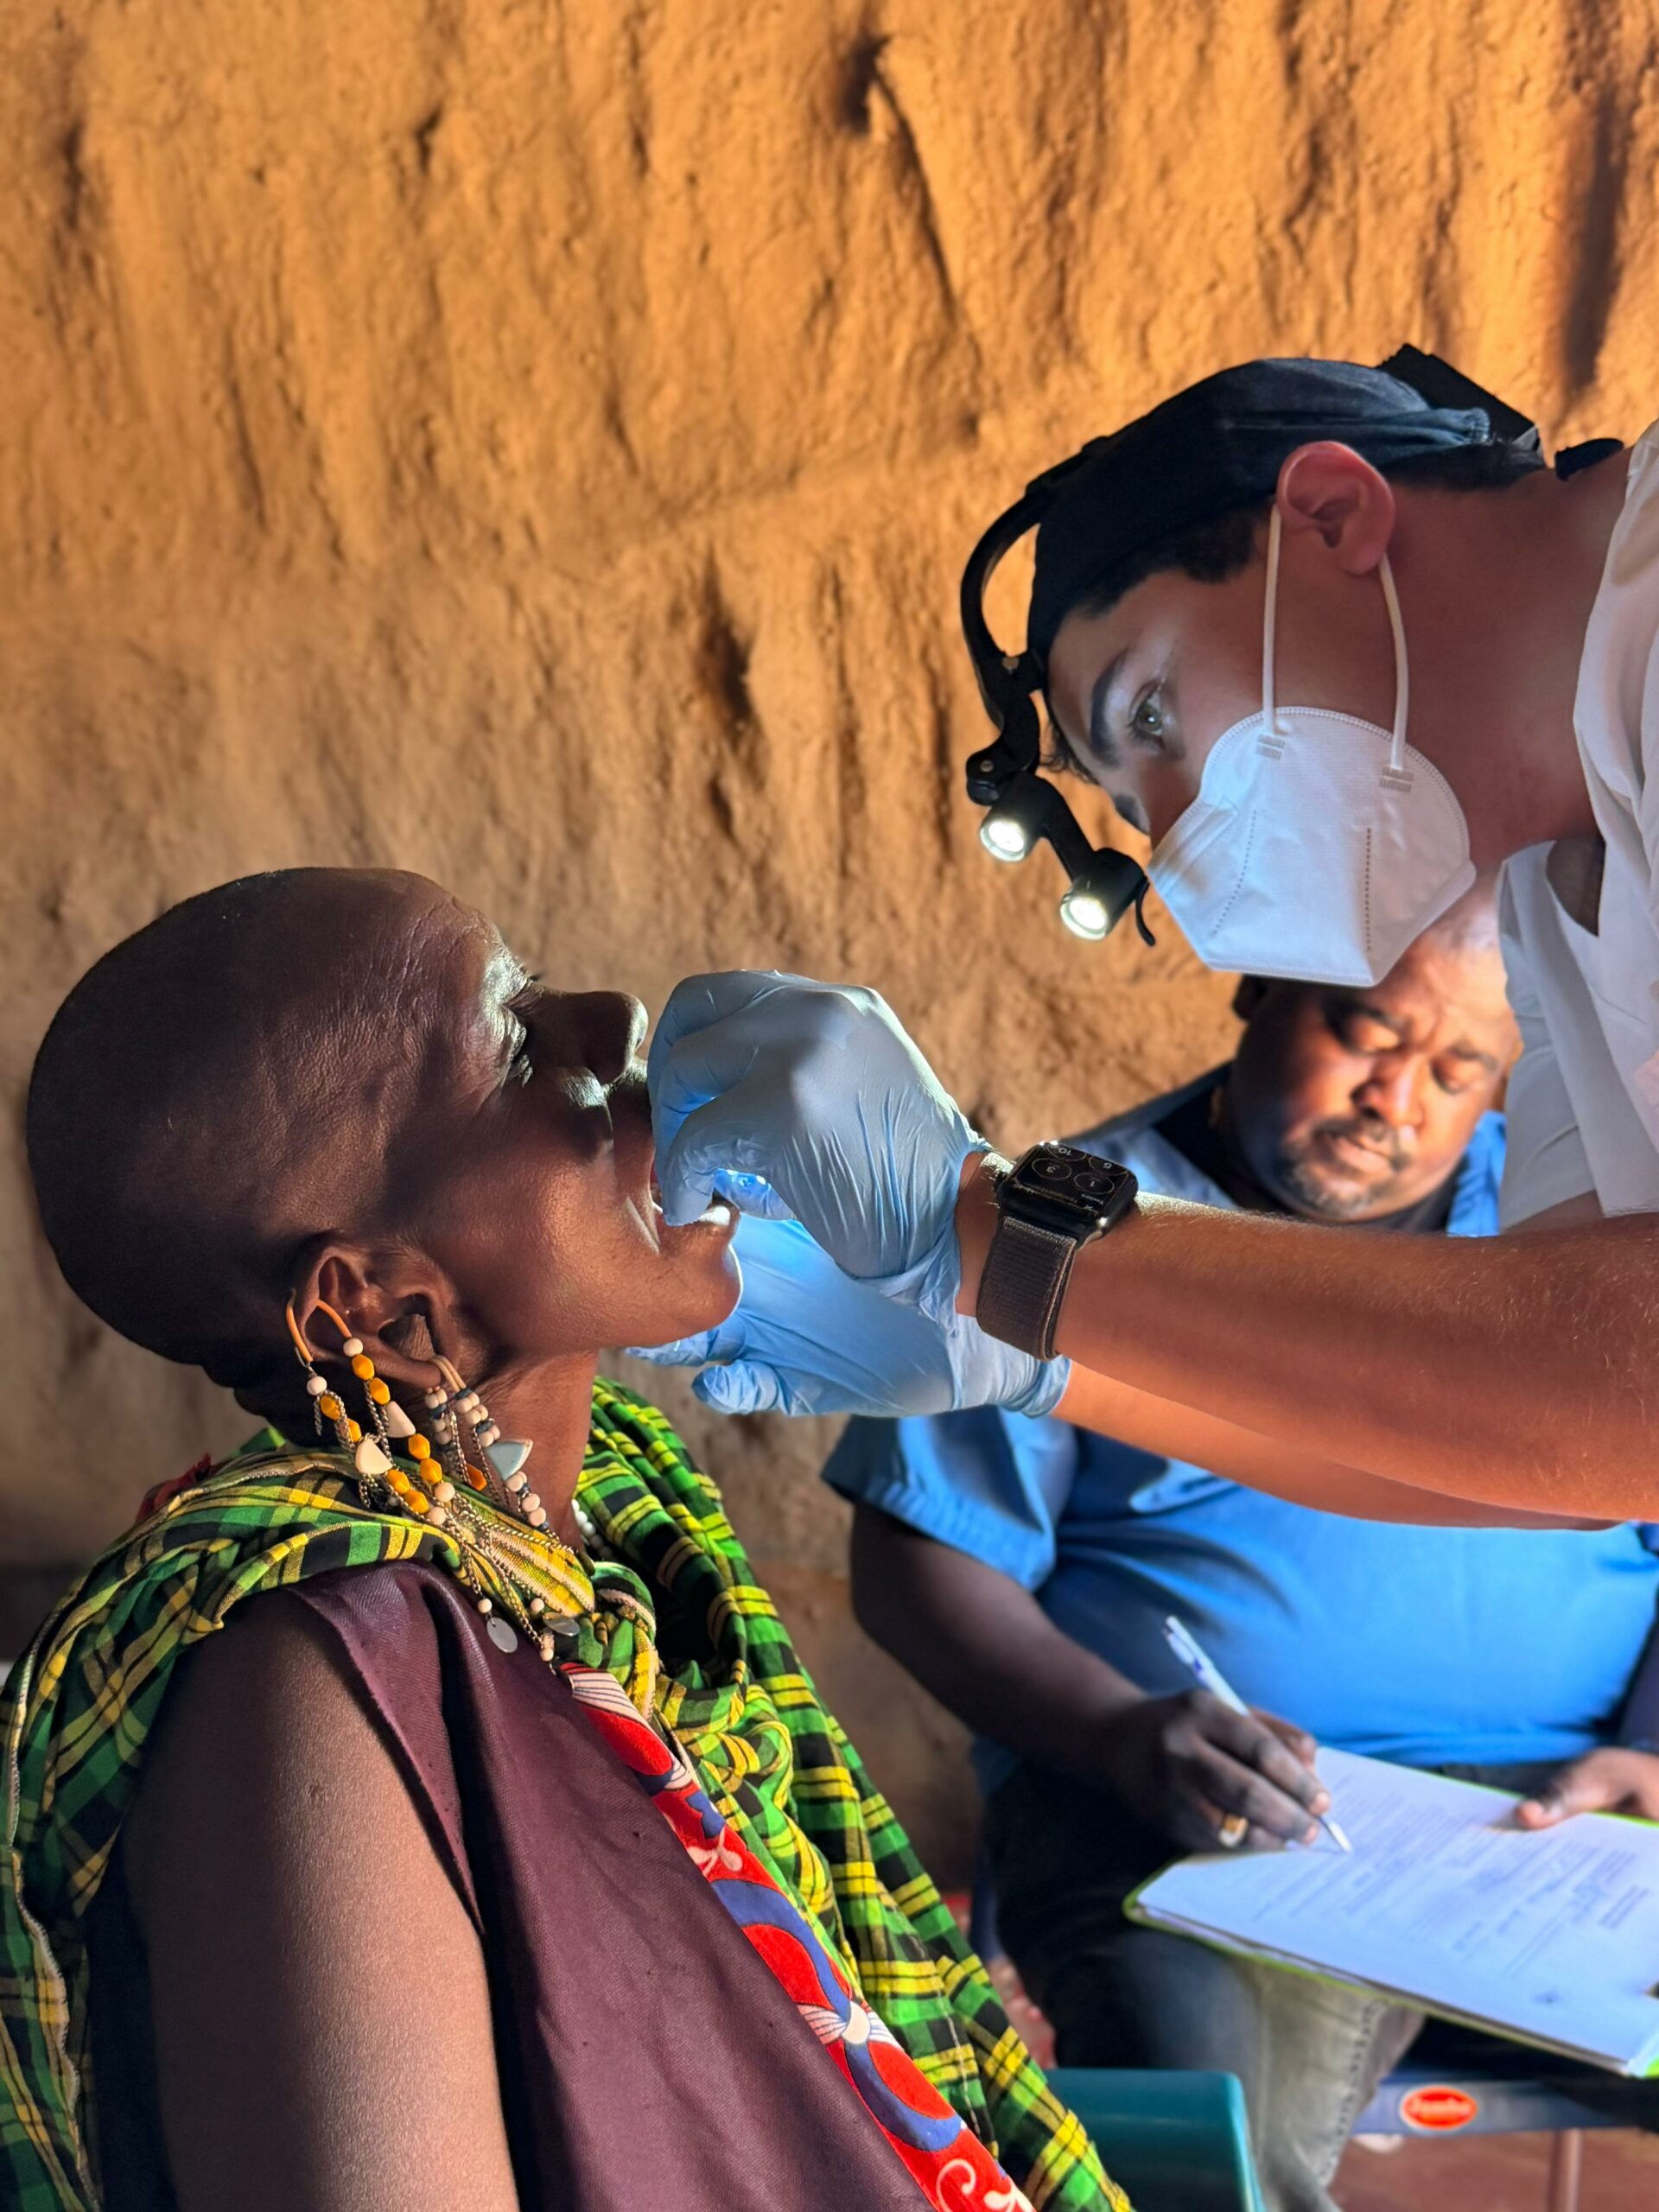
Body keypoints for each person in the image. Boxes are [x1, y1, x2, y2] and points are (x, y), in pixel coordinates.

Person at [0, 868, 1120, 2212]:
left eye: (535, 987)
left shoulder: (618, 1506)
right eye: (518, 1046)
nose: (617, 1023)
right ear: (372, 1308)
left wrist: (1020, 1304)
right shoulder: (309, 1683)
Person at [633, 355, 1659, 1526]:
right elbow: (1550, 1447)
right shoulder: (1559, 900)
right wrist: (1027, 1347)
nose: (1179, 850)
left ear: (1334, 514)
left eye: (1150, 714)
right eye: (1134, 812)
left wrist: (995, 1227)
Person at [823, 904, 1659, 2212]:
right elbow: (919, 1561)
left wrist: (1652, 1750)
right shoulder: (1059, 1242)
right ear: (1263, 984)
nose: (1397, 1100)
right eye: (1366, 1033)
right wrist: (1117, 1735)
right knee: (1208, 2147)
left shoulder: (1566, 1248)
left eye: (1458, 1071)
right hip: (1214, 1815)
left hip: (1568, 1828)